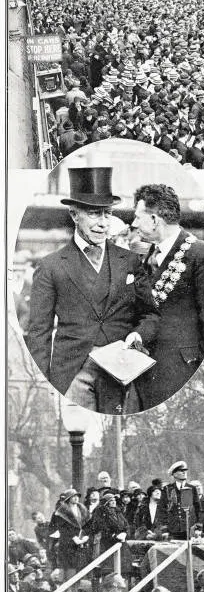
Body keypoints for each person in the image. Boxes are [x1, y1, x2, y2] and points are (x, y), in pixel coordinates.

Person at [25, 167, 158, 413]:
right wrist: (45, 384)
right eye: (95, 214)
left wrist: (138, 335)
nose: (103, 223)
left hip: (119, 373)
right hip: (73, 372)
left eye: (107, 214)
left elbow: (150, 315)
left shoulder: (129, 261)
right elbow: (38, 333)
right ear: (75, 215)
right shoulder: (51, 266)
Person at [131, 183, 204, 408]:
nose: (133, 224)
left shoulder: (203, 255)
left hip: (181, 376)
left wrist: (198, 379)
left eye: (137, 217)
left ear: (154, 220)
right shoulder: (146, 257)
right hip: (142, 374)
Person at [158, 460, 201, 539]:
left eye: (185, 471)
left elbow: (198, 508)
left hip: (190, 529)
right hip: (172, 529)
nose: (184, 472)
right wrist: (164, 529)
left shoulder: (192, 488)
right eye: (181, 471)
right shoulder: (167, 489)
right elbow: (162, 510)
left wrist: (198, 527)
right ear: (174, 474)